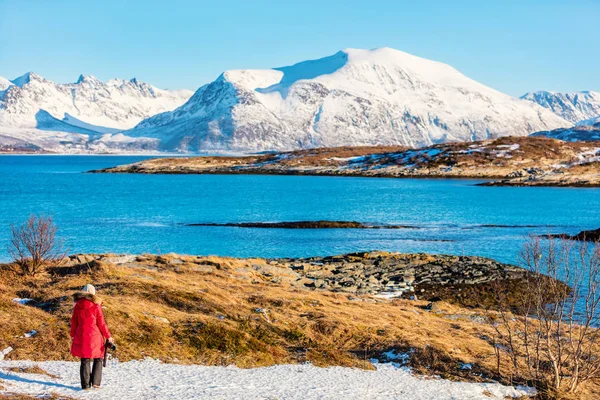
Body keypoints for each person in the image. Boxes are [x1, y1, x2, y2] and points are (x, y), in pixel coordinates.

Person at [70, 284, 114, 390]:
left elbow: (74, 322)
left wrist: (72, 335)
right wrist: (108, 336)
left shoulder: (77, 306)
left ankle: (85, 385)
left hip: (81, 335)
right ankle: (96, 383)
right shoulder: (96, 306)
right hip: (95, 335)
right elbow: (101, 323)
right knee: (98, 358)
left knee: (84, 359)